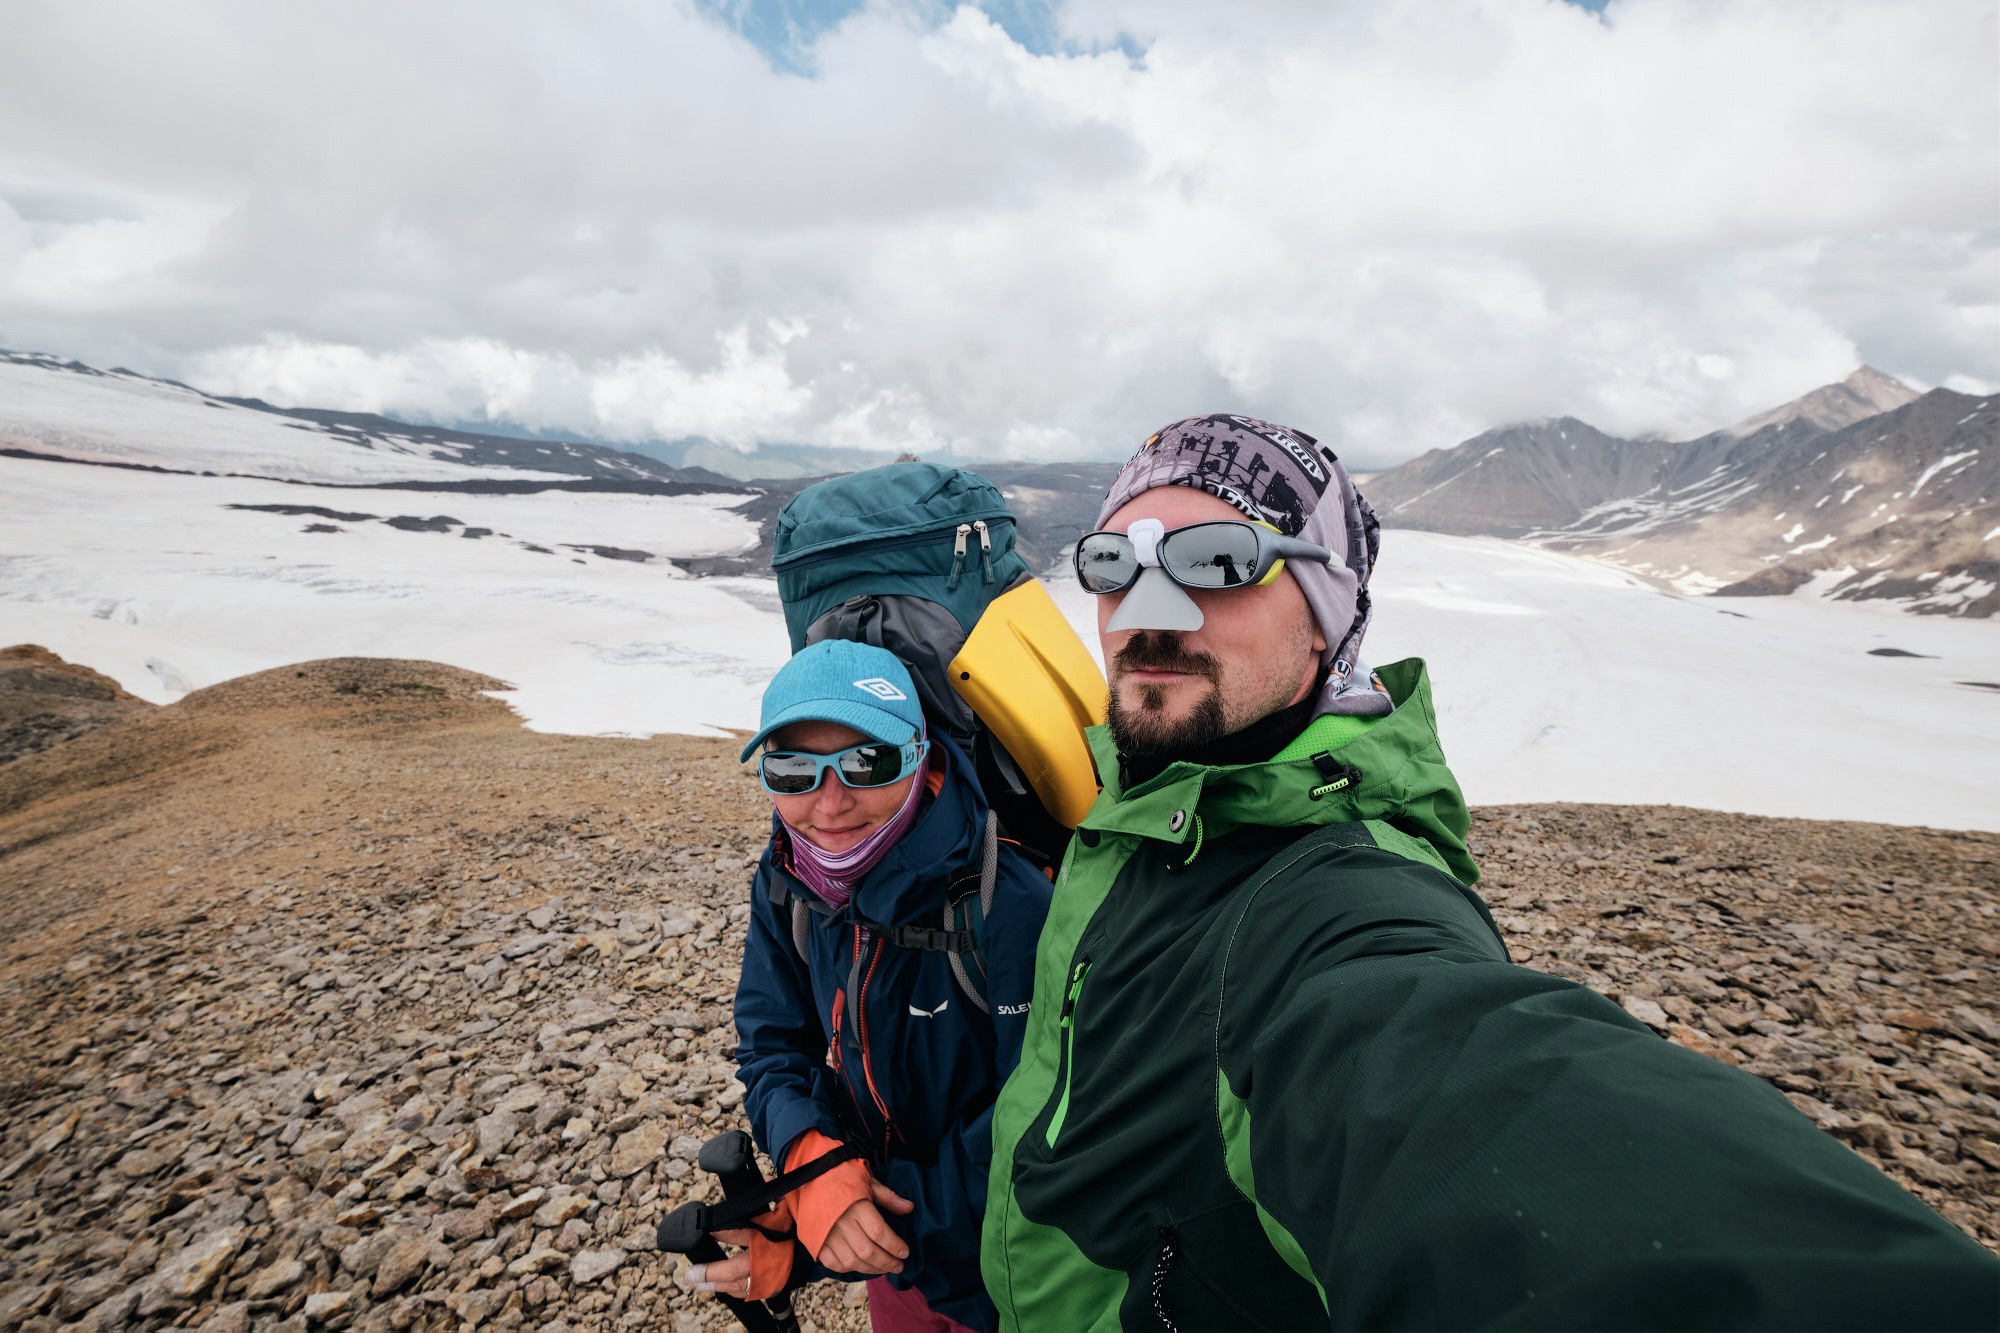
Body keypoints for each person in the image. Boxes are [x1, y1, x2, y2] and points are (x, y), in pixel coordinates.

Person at [982, 415, 1999, 1331]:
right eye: (1115, 560)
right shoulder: (1138, 806)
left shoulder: (1333, 898)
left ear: (1327, 615)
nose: (1147, 609)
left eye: (1216, 560)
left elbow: (1436, 1075)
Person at [684, 638, 1052, 1332]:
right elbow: (770, 1042)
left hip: (1019, 1273)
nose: (829, 803)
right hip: (898, 1270)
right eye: (791, 768)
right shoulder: (788, 878)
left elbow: (1040, 1132)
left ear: (920, 755)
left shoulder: (1008, 900)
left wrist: (827, 1233)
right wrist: (809, 1154)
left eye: (866, 762)